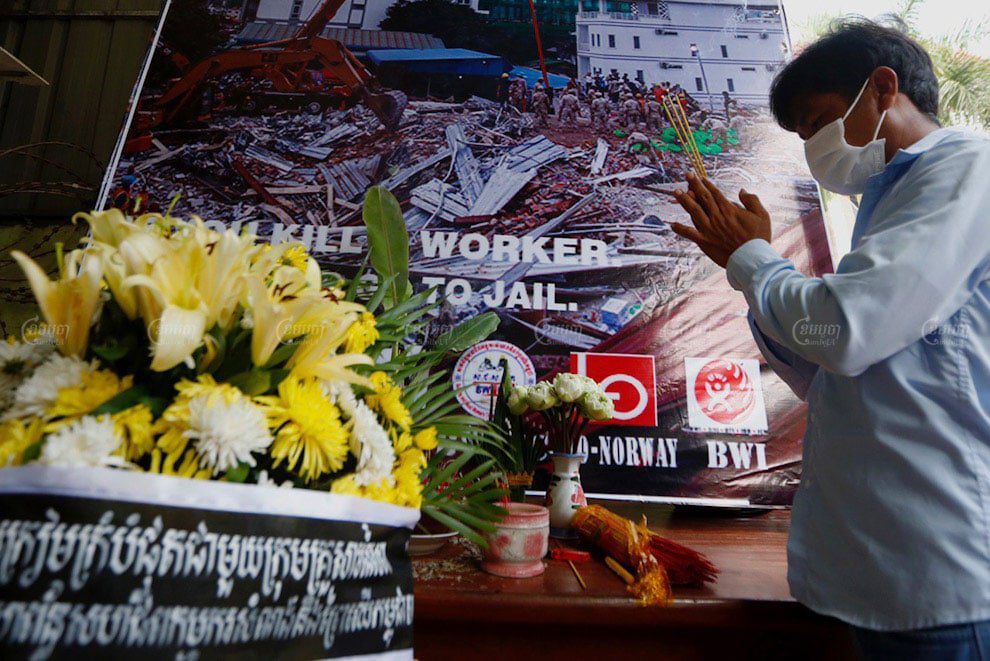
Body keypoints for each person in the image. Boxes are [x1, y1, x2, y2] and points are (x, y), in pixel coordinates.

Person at [669, 19, 990, 660]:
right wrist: (751, 272)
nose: (814, 147)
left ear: (883, 88)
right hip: (880, 568)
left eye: (818, 122)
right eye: (803, 136)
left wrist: (755, 261)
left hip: (939, 569)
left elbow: (843, 332)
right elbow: (828, 365)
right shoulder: (889, 202)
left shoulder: (966, 171)